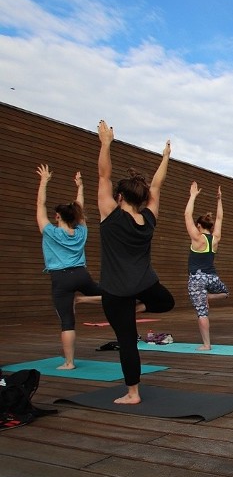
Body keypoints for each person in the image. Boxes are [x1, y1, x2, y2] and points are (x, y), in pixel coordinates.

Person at [97, 119, 175, 404]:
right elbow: (157, 184)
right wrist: (165, 157)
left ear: (119, 197)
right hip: (144, 284)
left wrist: (106, 143)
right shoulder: (148, 220)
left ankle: (133, 394)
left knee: (127, 341)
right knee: (166, 302)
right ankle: (139, 304)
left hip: (115, 291)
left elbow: (103, 176)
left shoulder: (111, 215)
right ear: (142, 199)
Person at [36, 164, 103, 369]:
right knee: (109, 293)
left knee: (67, 322)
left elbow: (40, 204)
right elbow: (80, 208)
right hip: (81, 274)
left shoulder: (50, 232)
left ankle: (69, 362)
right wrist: (80, 187)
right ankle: (86, 298)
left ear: (57, 217)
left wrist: (44, 181)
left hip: (61, 279)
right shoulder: (81, 231)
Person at [184, 182, 230, 350]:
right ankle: (208, 297)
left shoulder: (196, 238)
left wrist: (193, 196)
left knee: (202, 313)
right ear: (210, 227)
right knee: (225, 292)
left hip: (196, 279)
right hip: (212, 277)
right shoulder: (215, 238)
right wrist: (219, 200)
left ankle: (206, 344)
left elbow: (187, 214)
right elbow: (220, 218)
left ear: (198, 226)